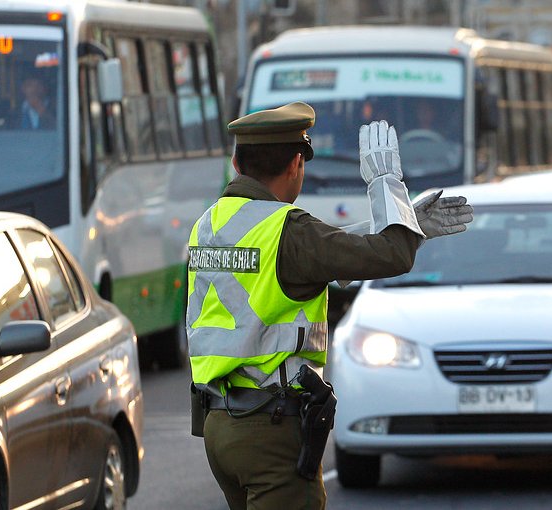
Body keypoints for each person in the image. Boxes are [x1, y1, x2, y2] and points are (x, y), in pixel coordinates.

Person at [187, 101, 473, 510]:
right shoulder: (288, 229)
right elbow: (392, 256)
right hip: (269, 428)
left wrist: (408, 225)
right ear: (295, 166)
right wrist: (386, 184)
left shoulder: (211, 222)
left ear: (236, 162)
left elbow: (319, 257)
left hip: (219, 424)